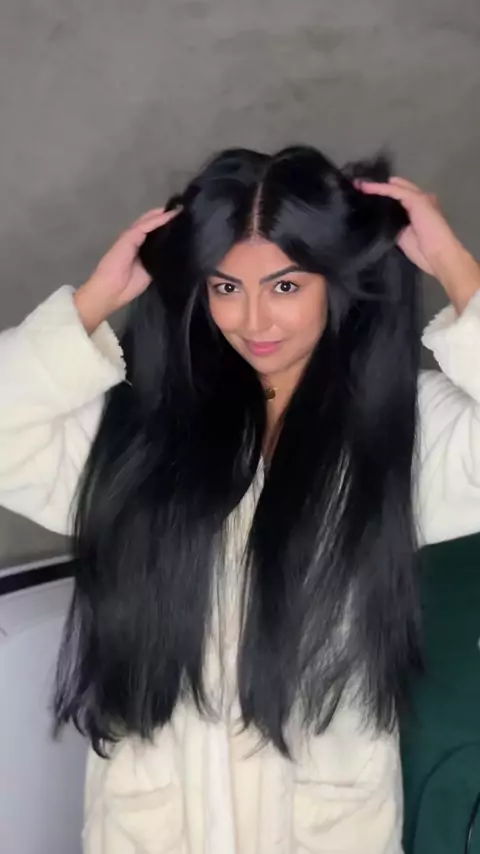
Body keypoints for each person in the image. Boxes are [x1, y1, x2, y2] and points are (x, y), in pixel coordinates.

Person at [1, 145, 480, 854]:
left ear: (335, 281)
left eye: (285, 286)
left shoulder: (396, 433)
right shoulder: (138, 429)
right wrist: (92, 301)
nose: (254, 320)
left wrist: (453, 265)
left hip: (325, 832)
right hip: (152, 832)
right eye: (225, 286)